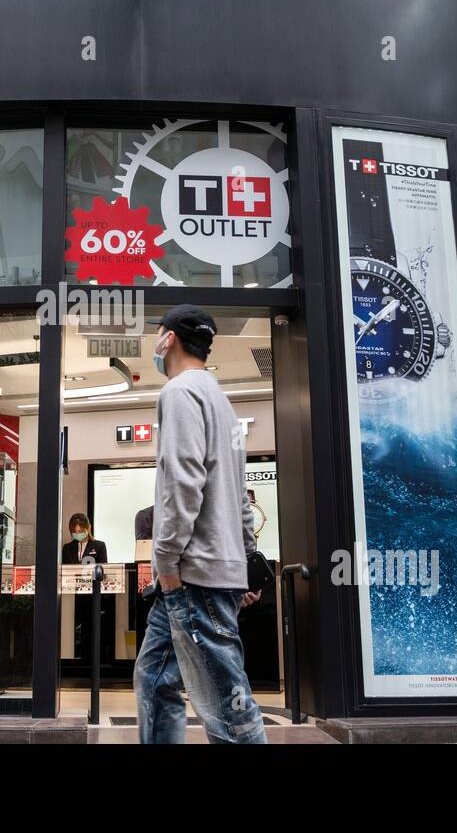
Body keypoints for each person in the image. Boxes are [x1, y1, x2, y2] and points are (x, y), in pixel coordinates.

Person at [133, 304, 267, 744]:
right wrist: (246, 559)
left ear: (168, 338)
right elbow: (240, 495)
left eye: (158, 333)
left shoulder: (180, 392)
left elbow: (182, 481)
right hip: (205, 573)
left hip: (192, 577)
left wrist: (166, 563)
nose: (155, 340)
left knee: (227, 707)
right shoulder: (221, 401)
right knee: (154, 679)